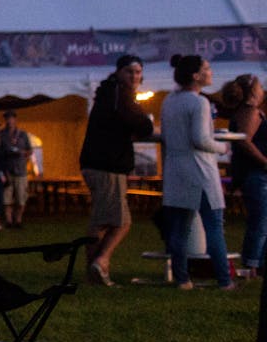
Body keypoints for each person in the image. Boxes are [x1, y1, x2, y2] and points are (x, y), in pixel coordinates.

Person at [160, 54, 235, 290]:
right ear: (196, 75)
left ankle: (183, 278)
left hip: (176, 170)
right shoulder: (199, 102)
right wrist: (222, 147)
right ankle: (224, 279)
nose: (211, 72)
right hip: (200, 170)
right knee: (214, 225)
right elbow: (201, 139)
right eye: (207, 68)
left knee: (180, 228)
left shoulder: (169, 101)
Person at [78, 54, 154, 286]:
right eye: (130, 72)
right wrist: (145, 123)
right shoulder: (119, 94)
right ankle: (101, 262)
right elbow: (141, 123)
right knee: (120, 222)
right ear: (120, 72)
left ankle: (95, 270)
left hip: (98, 163)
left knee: (102, 219)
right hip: (107, 165)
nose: (134, 77)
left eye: (138, 72)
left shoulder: (109, 93)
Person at [221, 74, 267, 280]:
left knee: (262, 221)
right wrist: (265, 162)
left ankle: (258, 264)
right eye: (260, 86)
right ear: (253, 91)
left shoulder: (242, 111)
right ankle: (252, 265)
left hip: (253, 173)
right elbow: (244, 141)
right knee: (260, 221)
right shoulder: (250, 112)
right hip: (256, 174)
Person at [0, 110, 33, 228]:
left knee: (21, 197)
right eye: (7, 118)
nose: (9, 121)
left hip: (21, 170)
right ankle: (9, 220)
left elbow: (30, 150)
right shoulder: (1, 135)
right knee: (7, 198)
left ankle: (18, 220)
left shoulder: (23, 134)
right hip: (7, 170)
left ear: (15, 120)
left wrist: (22, 153)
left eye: (11, 118)